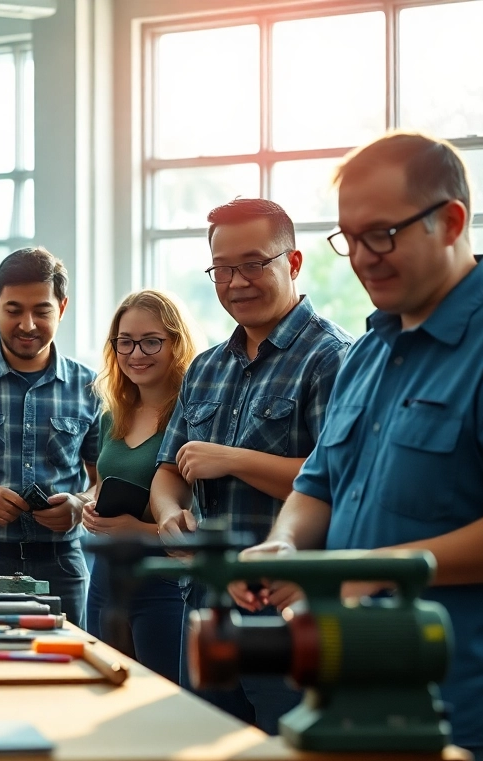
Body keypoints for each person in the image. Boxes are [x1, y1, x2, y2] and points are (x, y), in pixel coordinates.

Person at [238, 132, 483, 761]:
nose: (364, 257)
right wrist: (286, 545)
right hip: (353, 693)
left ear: (450, 221)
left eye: (383, 234)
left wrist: (372, 568)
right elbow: (317, 484)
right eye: (349, 238)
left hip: (470, 710)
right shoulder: (369, 351)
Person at [148, 198, 351, 733]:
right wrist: (168, 515)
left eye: (254, 263)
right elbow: (169, 471)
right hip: (205, 603)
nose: (236, 281)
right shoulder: (206, 367)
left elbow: (337, 480)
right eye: (222, 269)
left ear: (294, 262)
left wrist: (232, 460)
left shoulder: (331, 358)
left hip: (285, 611)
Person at [0, 248, 101, 628]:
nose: (27, 324)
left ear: (63, 307)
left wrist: (81, 504)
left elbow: (102, 477)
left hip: (61, 561)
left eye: (41, 311)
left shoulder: (90, 387)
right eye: (14, 310)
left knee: (69, 673)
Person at [79, 289, 198, 681]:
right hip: (108, 577)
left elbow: (202, 516)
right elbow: (99, 486)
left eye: (151, 342)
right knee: (103, 691)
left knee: (166, 703)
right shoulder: (113, 415)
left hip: (164, 581)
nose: (136, 354)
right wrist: (90, 506)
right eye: (125, 342)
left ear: (176, 344)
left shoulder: (195, 416)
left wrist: (138, 531)